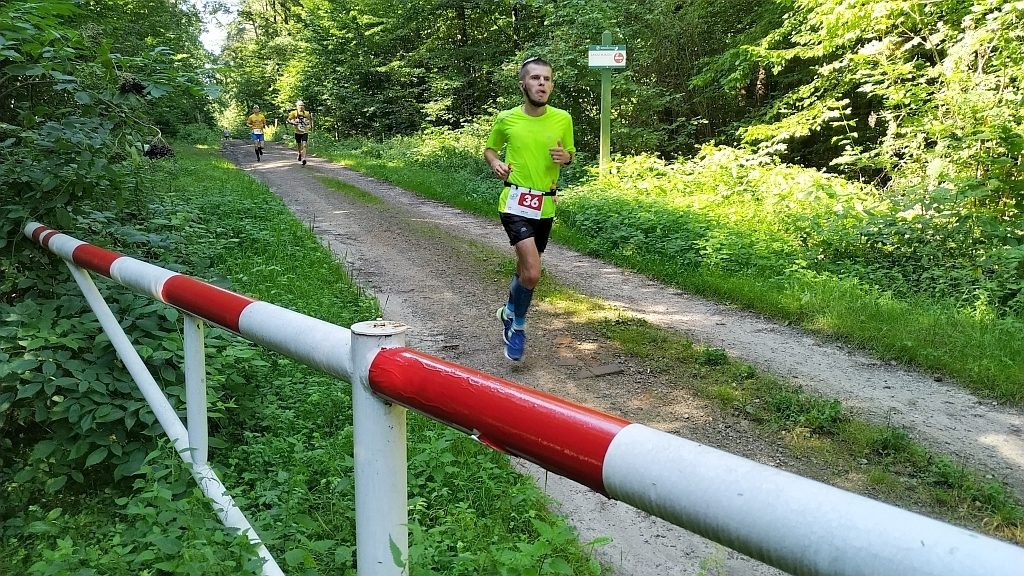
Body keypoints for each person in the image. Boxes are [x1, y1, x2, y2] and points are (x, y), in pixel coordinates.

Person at [484, 56, 575, 361]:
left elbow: (570, 153)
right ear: (523, 85)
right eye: (536, 78)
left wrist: (567, 158)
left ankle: (508, 310)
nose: (542, 84)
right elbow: (490, 149)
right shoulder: (507, 119)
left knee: (524, 271)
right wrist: (496, 163)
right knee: (533, 274)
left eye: (547, 79)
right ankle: (518, 328)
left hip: (545, 205)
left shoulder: (563, 119)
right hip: (514, 202)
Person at [287, 100, 312, 165]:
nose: (301, 107)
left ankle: (304, 158)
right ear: (297, 106)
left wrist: (309, 125)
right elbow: (288, 120)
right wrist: (293, 122)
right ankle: (299, 153)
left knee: (304, 145)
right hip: (297, 131)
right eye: (299, 105)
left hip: (305, 131)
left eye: (302, 105)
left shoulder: (306, 113)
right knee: (299, 144)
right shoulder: (294, 113)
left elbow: (309, 120)